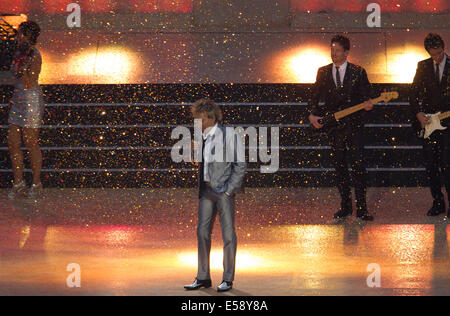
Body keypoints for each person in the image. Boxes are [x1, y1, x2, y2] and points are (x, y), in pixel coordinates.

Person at [308, 35, 375, 221]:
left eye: (337, 50)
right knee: (340, 167)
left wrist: (369, 104)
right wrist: (311, 114)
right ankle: (345, 206)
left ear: (346, 52)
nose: (333, 54)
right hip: (334, 128)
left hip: (354, 127)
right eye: (332, 50)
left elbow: (367, 95)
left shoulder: (358, 72)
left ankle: (362, 208)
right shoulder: (323, 72)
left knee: (358, 167)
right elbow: (314, 96)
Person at [184, 99, 246, 292]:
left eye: (200, 119)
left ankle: (228, 278)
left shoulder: (229, 134)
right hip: (206, 191)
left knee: (228, 235)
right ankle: (203, 276)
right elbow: (201, 163)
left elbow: (240, 164)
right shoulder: (200, 136)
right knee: (202, 233)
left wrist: (229, 190)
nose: (197, 123)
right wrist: (195, 154)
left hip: (224, 192)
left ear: (210, 118)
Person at [411, 33, 449, 217]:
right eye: (433, 54)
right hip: (428, 124)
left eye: (440, 53)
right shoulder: (423, 66)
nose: (437, 57)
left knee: (448, 165)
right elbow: (414, 93)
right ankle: (438, 202)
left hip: (448, 124)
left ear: (444, 47)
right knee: (431, 166)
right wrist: (418, 113)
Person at [7, 21, 44, 199]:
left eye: (21, 34)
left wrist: (23, 67)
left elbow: (30, 82)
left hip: (31, 101)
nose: (18, 37)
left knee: (31, 143)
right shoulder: (18, 53)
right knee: (13, 142)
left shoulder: (35, 55)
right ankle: (18, 183)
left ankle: (36, 184)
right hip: (18, 99)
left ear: (29, 36)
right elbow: (14, 76)